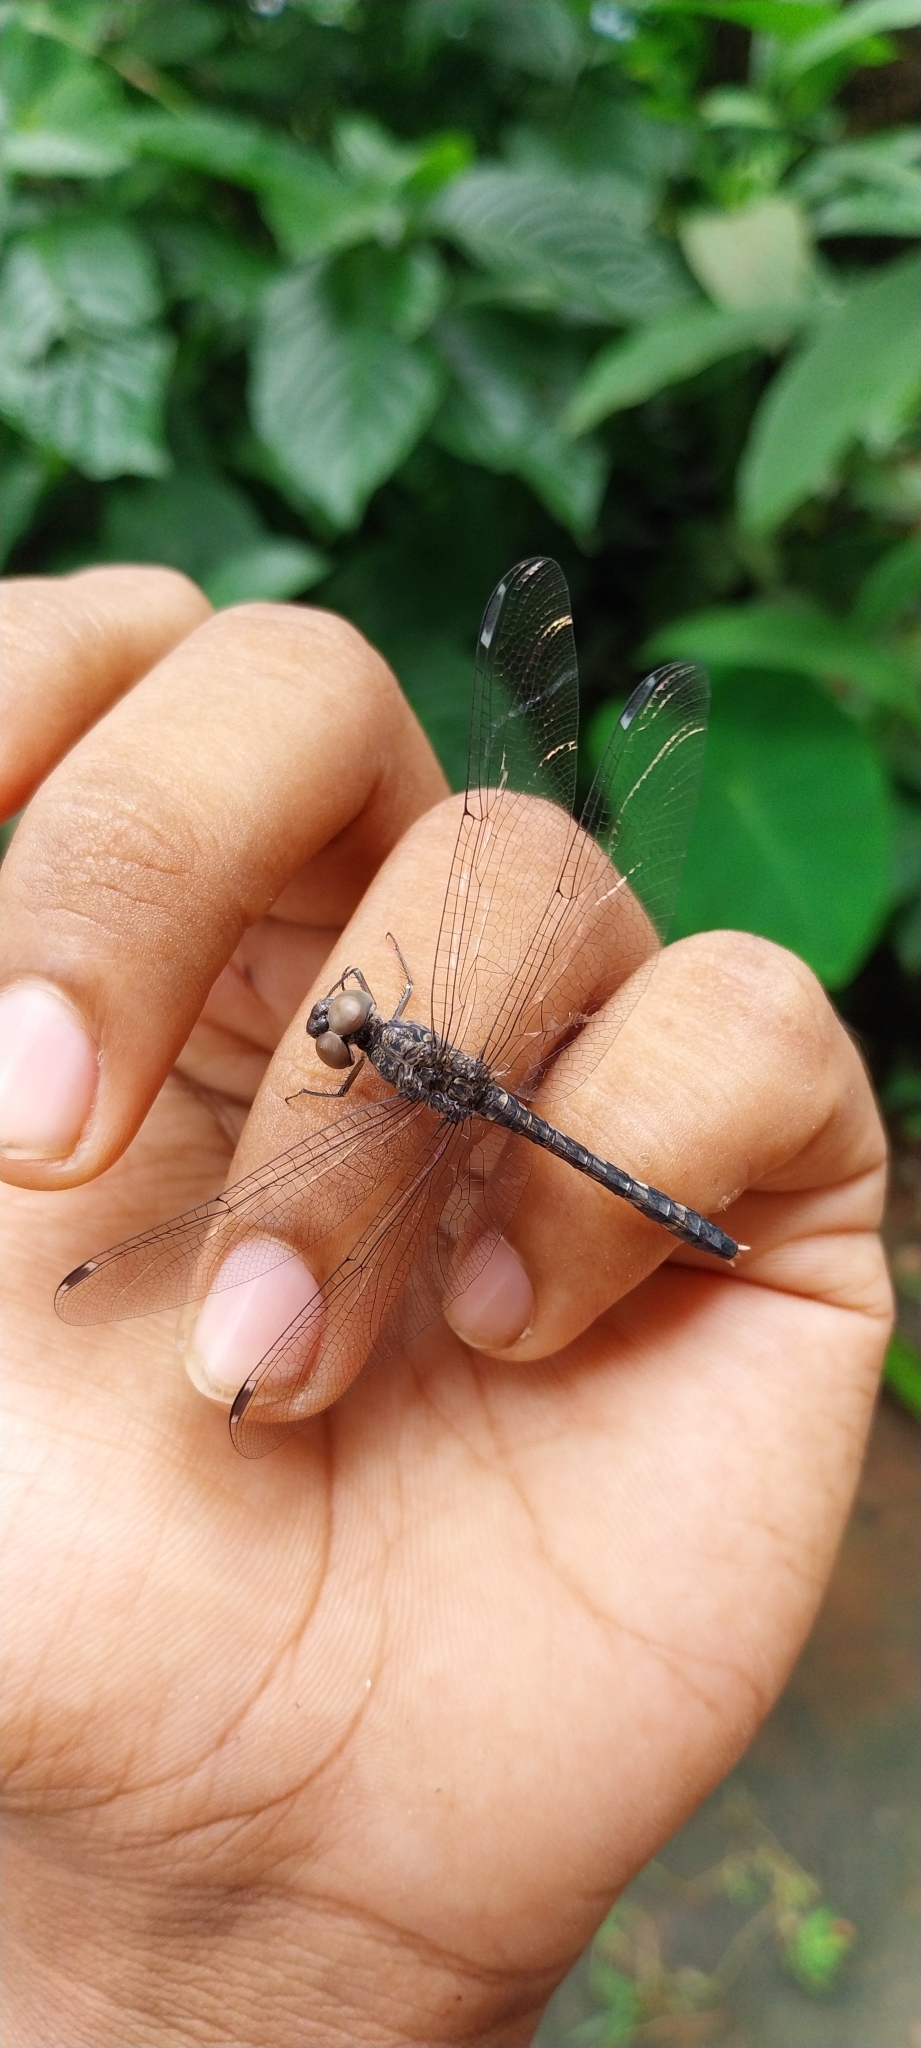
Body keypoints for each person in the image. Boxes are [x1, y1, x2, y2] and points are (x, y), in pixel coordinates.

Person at [0, 567, 891, 2048]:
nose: (339, 1022)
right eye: (343, 1026)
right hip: (477, 1136)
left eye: (346, 1018)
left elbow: (368, 1088)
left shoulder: (372, 1081)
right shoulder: (377, 1075)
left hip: (521, 1141)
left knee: (507, 928)